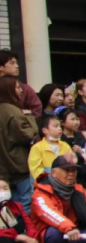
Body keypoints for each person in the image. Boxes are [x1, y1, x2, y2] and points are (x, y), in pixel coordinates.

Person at [0, 76, 36, 213]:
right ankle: (27, 231)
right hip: (19, 165)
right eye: (17, 87)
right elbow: (28, 135)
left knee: (10, 205)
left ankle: (15, 231)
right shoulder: (13, 112)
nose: (21, 90)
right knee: (26, 203)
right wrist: (29, 117)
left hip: (4, 168)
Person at [0, 51, 42, 116]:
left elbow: (37, 110)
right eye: (12, 63)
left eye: (16, 63)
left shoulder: (25, 88)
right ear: (1, 67)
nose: (17, 66)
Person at [28, 114, 69, 180]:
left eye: (60, 126)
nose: (59, 128)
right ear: (45, 130)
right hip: (45, 183)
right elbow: (35, 169)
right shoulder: (37, 148)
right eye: (56, 126)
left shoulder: (65, 146)